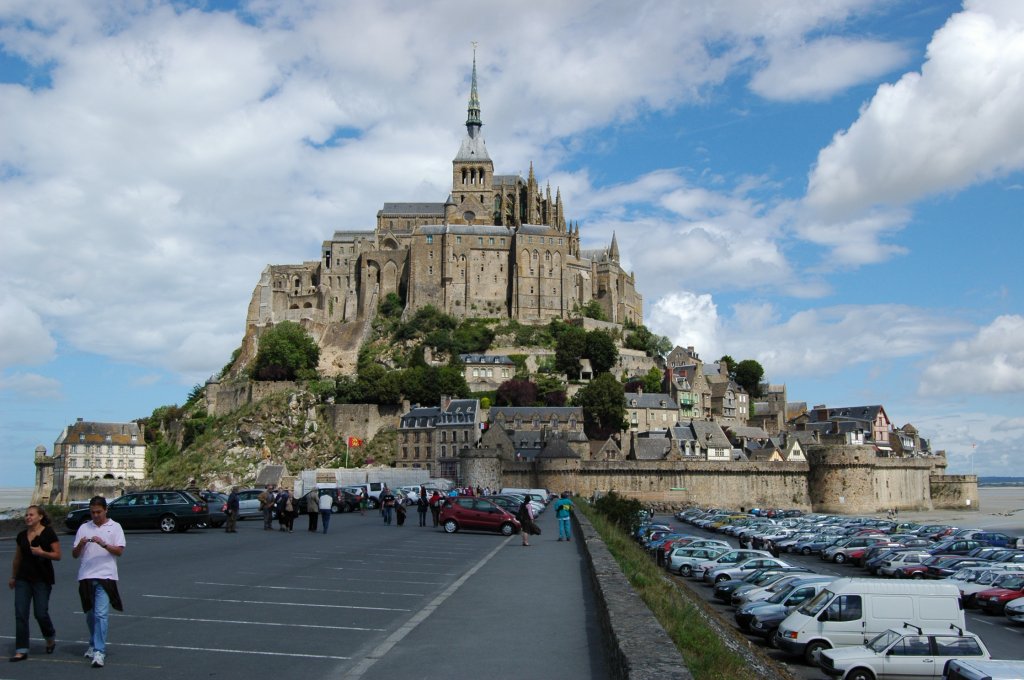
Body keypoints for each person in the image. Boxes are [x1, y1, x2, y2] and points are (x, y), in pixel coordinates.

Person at [72, 496, 125, 668]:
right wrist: (80, 544)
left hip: (106, 576)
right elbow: (74, 554)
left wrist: (103, 544)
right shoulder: (83, 527)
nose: (95, 515)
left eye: (98, 512)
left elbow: (119, 551)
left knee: (101, 614)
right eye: (92, 512)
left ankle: (99, 651)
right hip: (86, 576)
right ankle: (93, 643)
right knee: (90, 614)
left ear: (105, 510)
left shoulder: (115, 527)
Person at [8, 505, 61, 662]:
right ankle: (21, 649)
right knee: (20, 613)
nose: (28, 517)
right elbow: (17, 558)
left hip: (42, 579)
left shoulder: (48, 533)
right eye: (26, 515)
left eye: (31, 515)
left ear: (40, 517)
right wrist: (13, 577)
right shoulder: (22, 536)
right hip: (23, 578)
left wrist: (42, 553)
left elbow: (58, 555)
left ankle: (49, 636)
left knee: (40, 613)